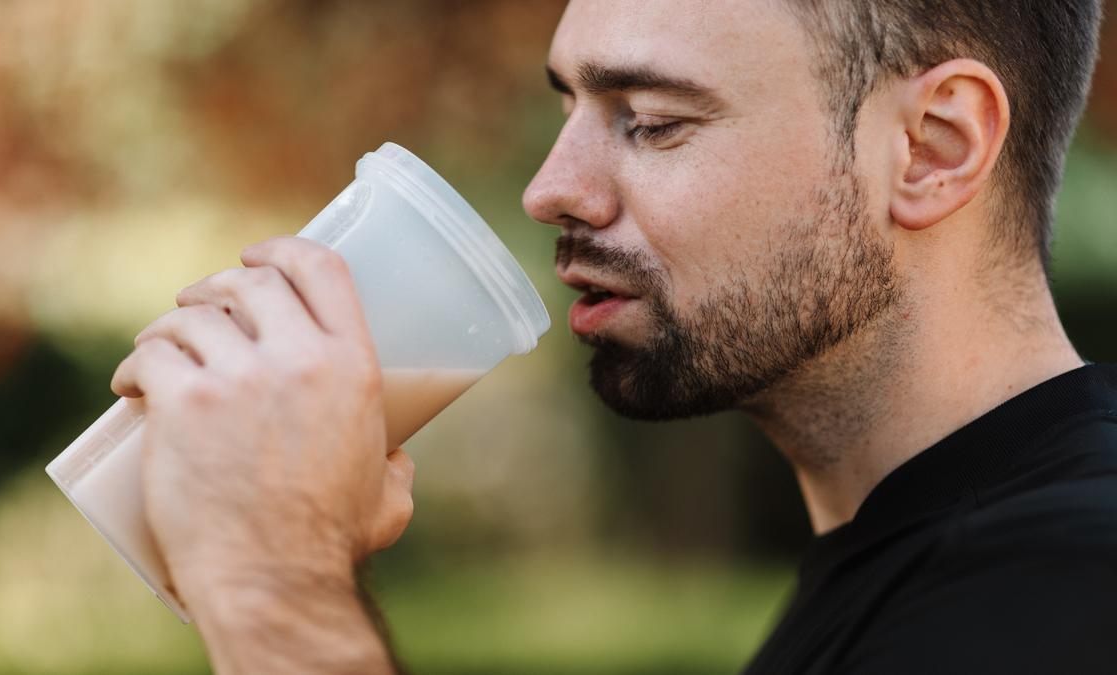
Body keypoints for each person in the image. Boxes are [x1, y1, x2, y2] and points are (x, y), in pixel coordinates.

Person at [110, 0, 1116, 672]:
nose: (553, 189)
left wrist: (275, 587)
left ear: (934, 148)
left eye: (651, 120)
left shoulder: (1066, 586)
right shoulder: (904, 567)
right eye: (571, 106)